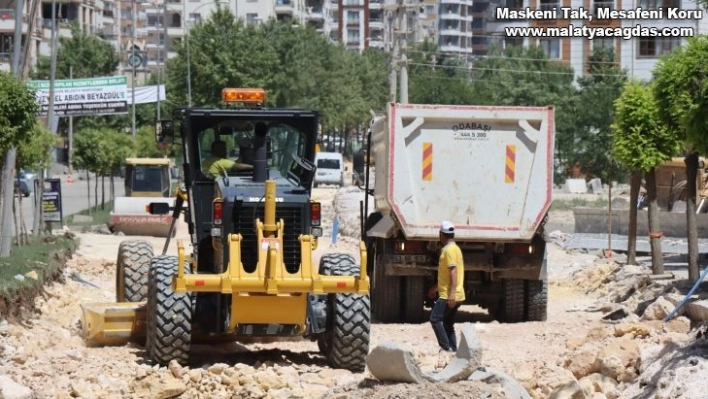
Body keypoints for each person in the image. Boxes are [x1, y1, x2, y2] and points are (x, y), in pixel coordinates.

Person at [430, 220, 465, 353]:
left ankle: (446, 349)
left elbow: (453, 272)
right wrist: (436, 287)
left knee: (435, 319)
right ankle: (454, 352)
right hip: (457, 294)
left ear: (441, 235)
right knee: (448, 324)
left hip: (448, 295)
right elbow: (446, 274)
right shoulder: (456, 249)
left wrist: (451, 294)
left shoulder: (448, 250)